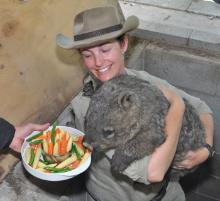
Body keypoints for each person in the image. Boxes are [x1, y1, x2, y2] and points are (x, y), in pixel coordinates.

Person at [56, 5, 214, 201]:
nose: (97, 61)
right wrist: (178, 107)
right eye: (87, 55)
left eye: (105, 49)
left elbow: (201, 107)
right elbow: (153, 172)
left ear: (124, 44)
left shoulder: (142, 79)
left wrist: (205, 150)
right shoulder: (87, 107)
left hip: (167, 195)